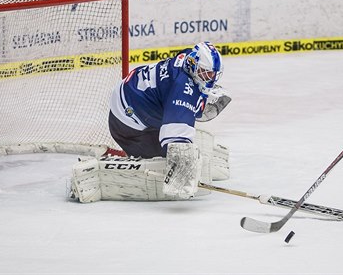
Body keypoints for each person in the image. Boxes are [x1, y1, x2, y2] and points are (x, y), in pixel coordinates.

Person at [70, 42, 232, 203]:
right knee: (165, 160)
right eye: (206, 74)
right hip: (127, 126)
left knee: (181, 139)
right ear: (194, 64)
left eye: (213, 74)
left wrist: (198, 101)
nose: (210, 79)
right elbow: (176, 142)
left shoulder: (187, 57)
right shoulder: (182, 90)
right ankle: (98, 176)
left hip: (130, 97)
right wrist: (182, 174)